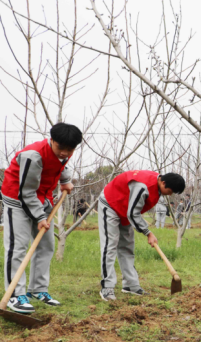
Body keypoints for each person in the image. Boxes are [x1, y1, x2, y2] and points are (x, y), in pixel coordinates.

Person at [2, 123, 82, 313]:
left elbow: (62, 165)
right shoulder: (34, 155)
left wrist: (65, 181)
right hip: (18, 198)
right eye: (60, 148)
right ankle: (14, 295)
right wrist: (40, 217)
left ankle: (38, 289)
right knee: (17, 247)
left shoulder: (65, 152)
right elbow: (26, 192)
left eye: (69, 150)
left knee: (46, 245)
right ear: (51, 140)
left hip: (41, 197)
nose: (64, 153)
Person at [98, 171, 185, 301]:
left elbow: (132, 211)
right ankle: (107, 287)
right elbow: (133, 214)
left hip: (125, 208)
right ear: (163, 182)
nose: (170, 194)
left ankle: (130, 285)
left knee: (127, 246)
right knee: (110, 245)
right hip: (110, 203)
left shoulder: (157, 183)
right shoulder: (142, 186)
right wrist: (148, 232)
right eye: (170, 191)